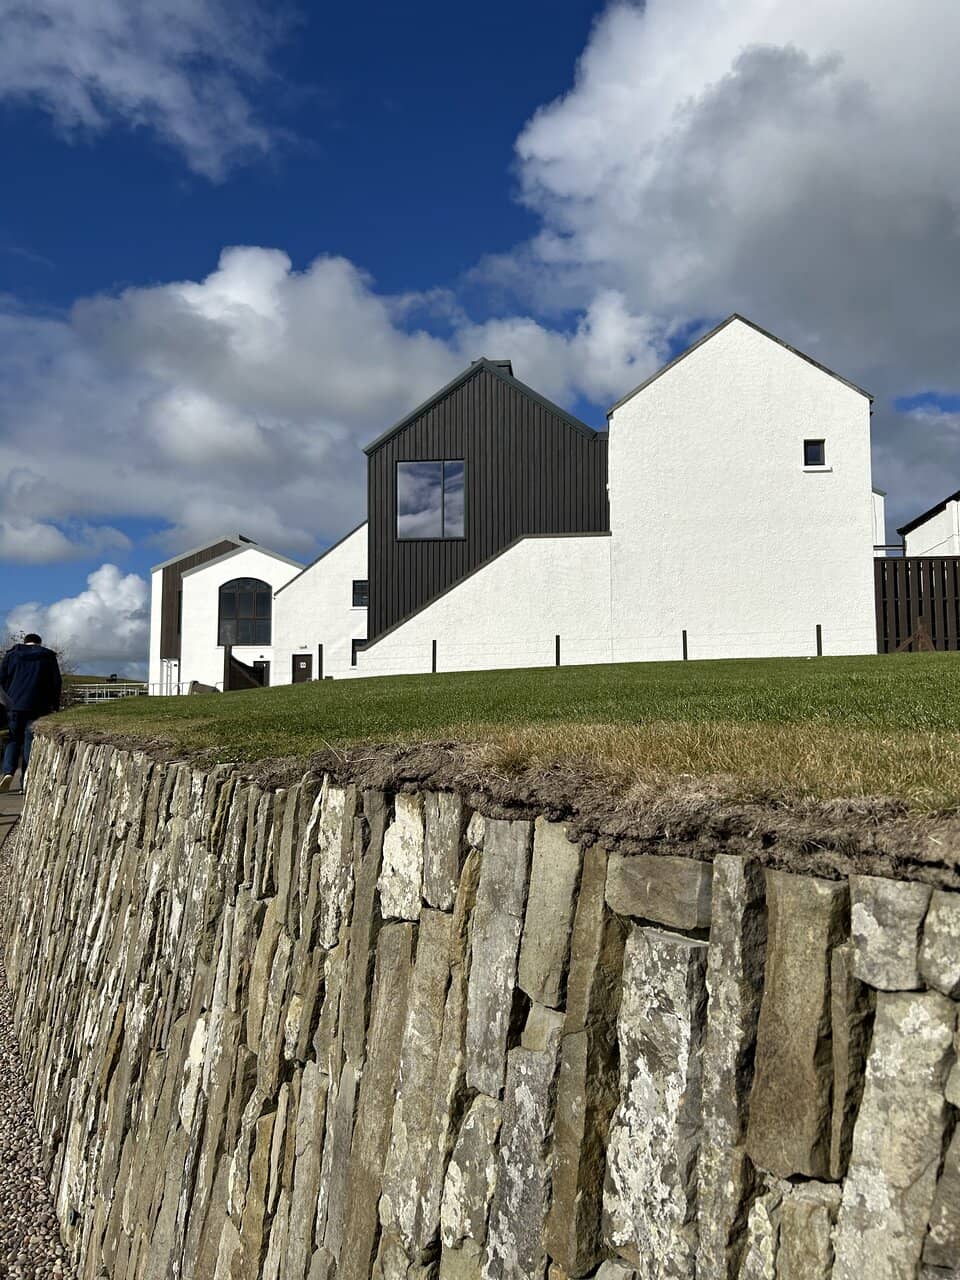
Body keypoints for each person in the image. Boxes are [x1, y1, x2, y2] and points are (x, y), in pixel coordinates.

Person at [0, 634, 62, 793]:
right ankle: (25, 781)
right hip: (39, 706)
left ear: (25, 641)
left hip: (14, 705)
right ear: (39, 643)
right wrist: (55, 705)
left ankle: (8, 772)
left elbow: (2, 679)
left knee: (13, 739)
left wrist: (6, 699)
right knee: (29, 742)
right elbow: (56, 682)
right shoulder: (48, 657)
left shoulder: (11, 655)